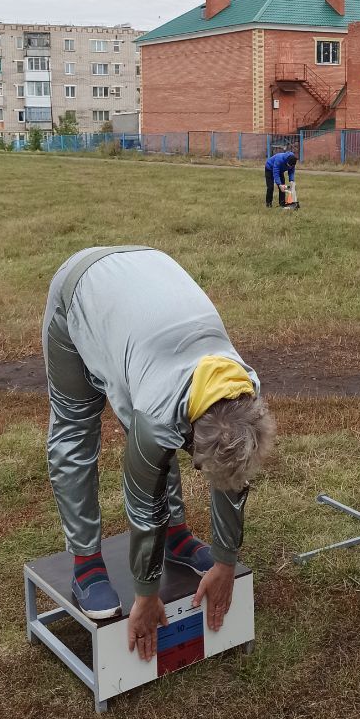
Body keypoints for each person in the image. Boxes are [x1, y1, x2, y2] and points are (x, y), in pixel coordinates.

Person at [42, 245, 275, 662]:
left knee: (169, 429)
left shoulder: (243, 389)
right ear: (189, 439)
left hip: (147, 283)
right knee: (77, 427)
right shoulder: (155, 415)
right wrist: (145, 595)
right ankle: (85, 561)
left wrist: (225, 560)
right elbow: (142, 501)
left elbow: (234, 476)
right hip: (81, 289)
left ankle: (178, 536)